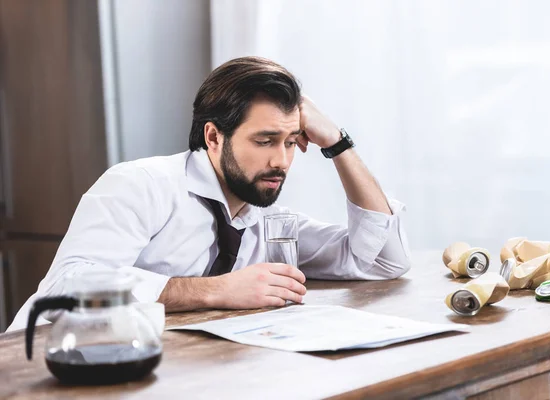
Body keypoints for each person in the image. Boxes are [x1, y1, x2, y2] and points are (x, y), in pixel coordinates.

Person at [7, 57, 411, 331]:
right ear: (214, 137)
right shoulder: (140, 184)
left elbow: (379, 261)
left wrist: (338, 144)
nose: (282, 161)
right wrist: (220, 290)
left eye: (291, 141)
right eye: (266, 140)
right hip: (41, 371)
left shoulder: (267, 219)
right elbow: (68, 284)